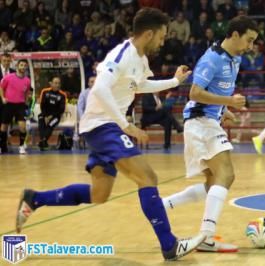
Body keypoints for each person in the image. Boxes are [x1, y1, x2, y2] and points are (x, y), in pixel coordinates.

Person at [16, 8, 205, 261]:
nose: (163, 41)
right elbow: (101, 90)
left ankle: (35, 199)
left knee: (99, 194)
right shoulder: (122, 55)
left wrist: (173, 81)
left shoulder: (140, 60)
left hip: (103, 127)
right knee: (148, 177)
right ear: (149, 34)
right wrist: (125, 125)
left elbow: (140, 85)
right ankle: (169, 245)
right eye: (161, 36)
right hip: (102, 126)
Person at [162, 15, 258, 252]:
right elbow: (194, 93)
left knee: (212, 182)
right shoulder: (212, 58)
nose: (251, 46)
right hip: (199, 121)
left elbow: (215, 90)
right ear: (235, 34)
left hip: (207, 121)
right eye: (249, 40)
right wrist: (229, 101)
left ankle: (162, 206)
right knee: (226, 175)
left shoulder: (234, 59)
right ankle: (206, 236)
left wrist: (223, 110)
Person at [0, 59, 31, 154]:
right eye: (21, 65)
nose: (23, 67)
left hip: (20, 106)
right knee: (3, 127)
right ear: (17, 66)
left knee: (22, 127)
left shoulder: (27, 80)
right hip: (8, 105)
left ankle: (21, 147)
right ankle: (1, 147)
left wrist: (25, 102)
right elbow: (1, 87)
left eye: (25, 65)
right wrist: (3, 98)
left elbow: (27, 92)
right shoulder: (8, 77)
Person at [38, 76, 68, 151]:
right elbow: (42, 105)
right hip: (45, 114)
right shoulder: (45, 91)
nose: (57, 85)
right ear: (51, 83)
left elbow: (61, 109)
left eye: (58, 83)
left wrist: (51, 116)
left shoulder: (62, 95)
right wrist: (45, 116)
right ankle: (44, 141)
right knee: (41, 120)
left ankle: (42, 141)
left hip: (56, 116)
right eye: (55, 83)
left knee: (50, 125)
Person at [0, 53, 15, 130]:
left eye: (8, 61)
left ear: (10, 61)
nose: (6, 63)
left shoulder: (14, 72)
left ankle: (5, 140)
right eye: (4, 61)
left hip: (9, 101)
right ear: (1, 60)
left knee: (6, 123)